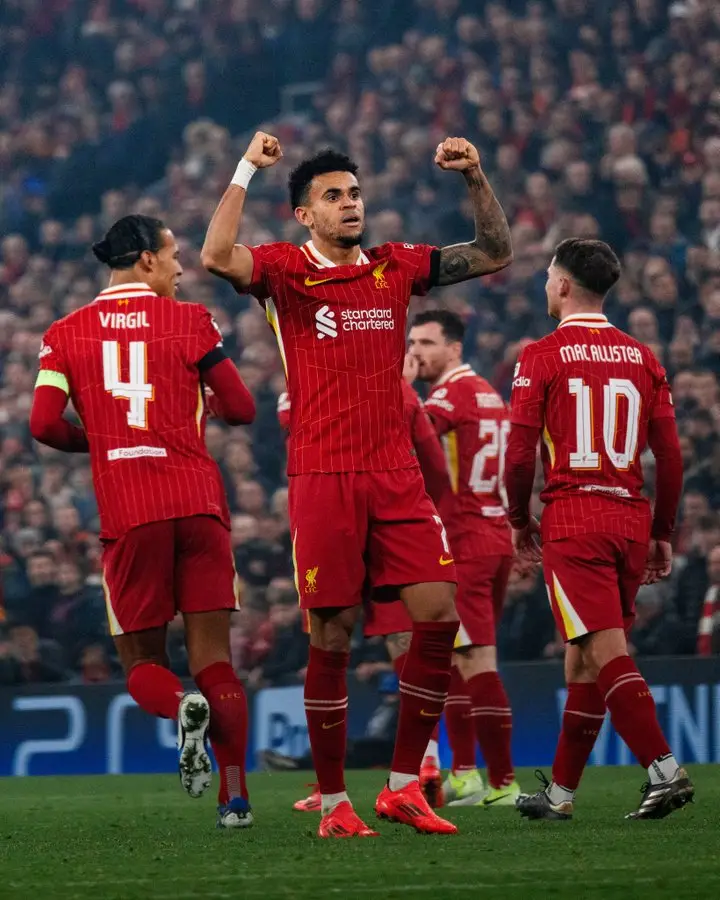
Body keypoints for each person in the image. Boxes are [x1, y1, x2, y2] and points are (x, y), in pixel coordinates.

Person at [201, 131, 512, 837]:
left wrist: (476, 175)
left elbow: (495, 252)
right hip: (324, 475)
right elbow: (216, 256)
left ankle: (404, 785)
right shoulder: (283, 271)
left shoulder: (395, 267)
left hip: (396, 477)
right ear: (304, 215)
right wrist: (248, 167)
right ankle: (336, 801)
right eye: (333, 197)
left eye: (354, 194)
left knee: (438, 616)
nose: (350, 205)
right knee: (334, 637)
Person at [29, 214, 257, 829]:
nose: (183, 268)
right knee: (216, 661)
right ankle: (234, 801)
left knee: (142, 664)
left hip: (130, 513)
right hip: (198, 504)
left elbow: (44, 424)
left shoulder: (64, 333)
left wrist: (104, 443)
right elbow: (241, 407)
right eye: (175, 255)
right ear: (147, 260)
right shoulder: (190, 321)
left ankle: (181, 706)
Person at [505, 238, 693, 820]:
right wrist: (663, 531)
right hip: (630, 518)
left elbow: (517, 456)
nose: (544, 285)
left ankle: (664, 768)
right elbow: (671, 456)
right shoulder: (644, 357)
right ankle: (561, 795)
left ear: (562, 286)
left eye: (546, 276)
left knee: (604, 649)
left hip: (576, 518)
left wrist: (517, 519)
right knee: (581, 658)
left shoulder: (541, 355)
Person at [278, 356, 453, 813]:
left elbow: (285, 420)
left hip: (336, 503)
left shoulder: (311, 378)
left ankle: (343, 786)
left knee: (336, 636)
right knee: (405, 640)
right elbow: (436, 470)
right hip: (387, 512)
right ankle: (423, 766)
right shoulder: (400, 391)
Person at [409, 309, 519, 808]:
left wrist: (401, 389)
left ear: (454, 348)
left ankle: (503, 782)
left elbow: (412, 435)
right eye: (412, 342)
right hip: (492, 536)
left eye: (427, 343)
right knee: (456, 658)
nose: (416, 352)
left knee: (476, 660)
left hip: (468, 542)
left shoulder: (449, 394)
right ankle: (468, 774)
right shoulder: (490, 394)